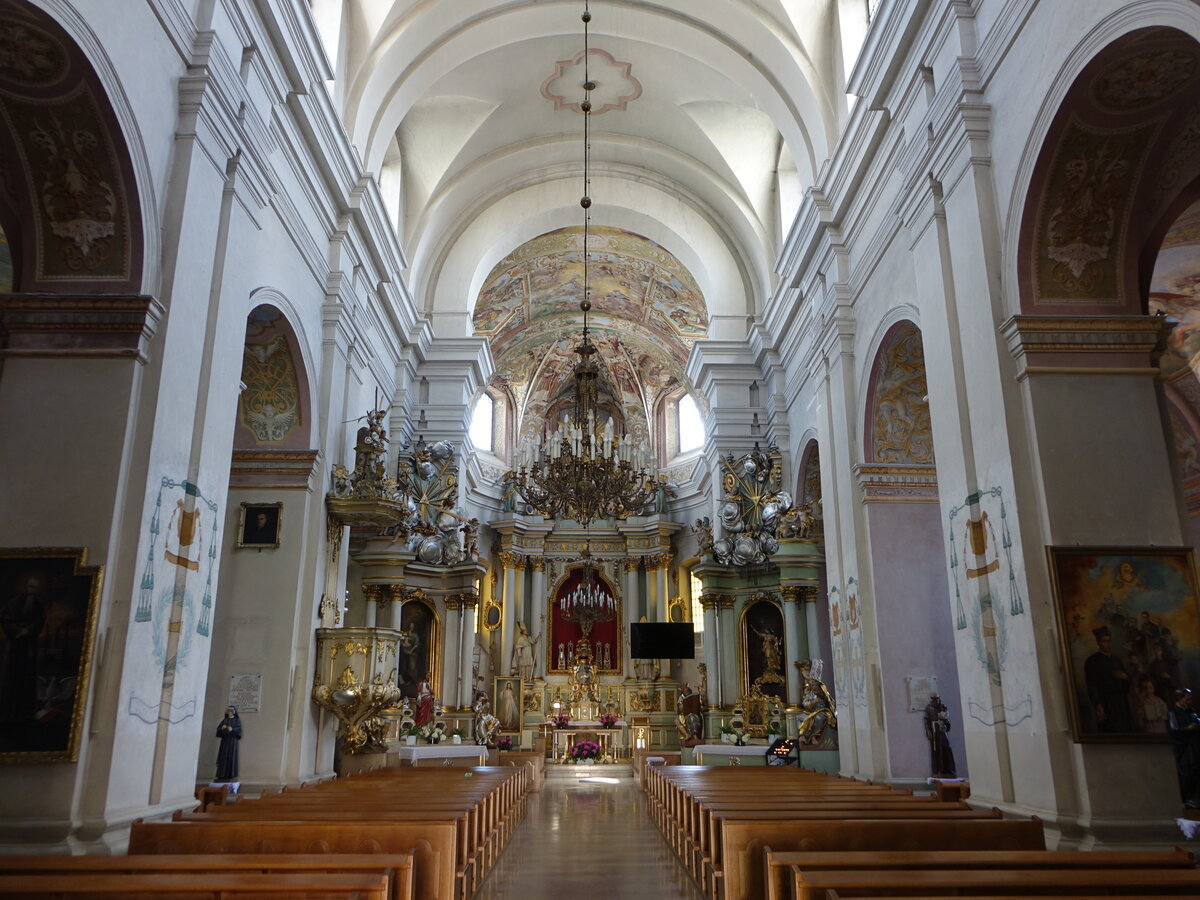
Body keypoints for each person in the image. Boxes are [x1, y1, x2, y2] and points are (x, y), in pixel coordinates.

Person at [0, 569, 47, 726]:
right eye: (30, 587)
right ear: (26, 587)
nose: (32, 590)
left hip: (28, 647)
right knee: (10, 679)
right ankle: (7, 713)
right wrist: (17, 631)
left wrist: (28, 631)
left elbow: (39, 622)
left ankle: (24, 714)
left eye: (35, 588)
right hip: (14, 646)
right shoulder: (15, 602)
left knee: (26, 680)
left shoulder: (38, 606)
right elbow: (6, 618)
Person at [1083, 625, 1133, 732]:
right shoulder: (1092, 661)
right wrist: (1098, 704)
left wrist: (1125, 677)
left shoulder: (1117, 660)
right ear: (1098, 642)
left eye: (1109, 641)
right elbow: (1092, 685)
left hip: (1121, 703)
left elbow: (1128, 685)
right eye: (1104, 641)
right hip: (1106, 702)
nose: (1108, 644)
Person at [1167, 689, 1200, 809]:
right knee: (1188, 775)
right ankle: (1190, 799)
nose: (1189, 702)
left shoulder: (1191, 712)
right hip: (1184, 749)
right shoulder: (1173, 713)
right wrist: (1187, 729)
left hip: (1195, 747)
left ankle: (1197, 798)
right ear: (1179, 699)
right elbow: (1174, 730)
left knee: (1197, 773)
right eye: (1187, 699)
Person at [924, 693, 957, 778]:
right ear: (932, 699)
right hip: (935, 730)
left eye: (937, 699)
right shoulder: (929, 708)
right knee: (936, 750)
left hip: (942, 729)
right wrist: (928, 731)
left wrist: (946, 722)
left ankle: (949, 769)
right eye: (934, 699)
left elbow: (947, 718)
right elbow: (926, 720)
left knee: (946, 748)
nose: (936, 700)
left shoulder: (943, 706)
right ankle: (938, 769)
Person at [214, 706, 242, 782]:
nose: (229, 713)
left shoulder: (237, 720)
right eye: (228, 711)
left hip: (232, 742)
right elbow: (218, 730)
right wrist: (222, 728)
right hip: (224, 741)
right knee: (223, 757)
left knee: (230, 757)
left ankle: (230, 774)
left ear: (233, 712)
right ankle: (221, 774)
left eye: (230, 711)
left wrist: (232, 729)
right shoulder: (225, 720)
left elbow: (239, 731)